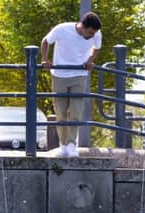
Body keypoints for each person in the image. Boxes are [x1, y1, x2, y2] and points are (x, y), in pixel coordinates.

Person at [41, 12, 102, 158]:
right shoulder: (63, 29)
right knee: (61, 113)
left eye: (93, 33)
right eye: (90, 33)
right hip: (59, 75)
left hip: (79, 75)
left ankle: (71, 144)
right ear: (83, 26)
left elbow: (97, 47)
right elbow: (45, 41)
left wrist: (90, 60)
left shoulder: (96, 34)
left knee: (76, 112)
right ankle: (62, 145)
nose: (91, 36)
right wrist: (44, 59)